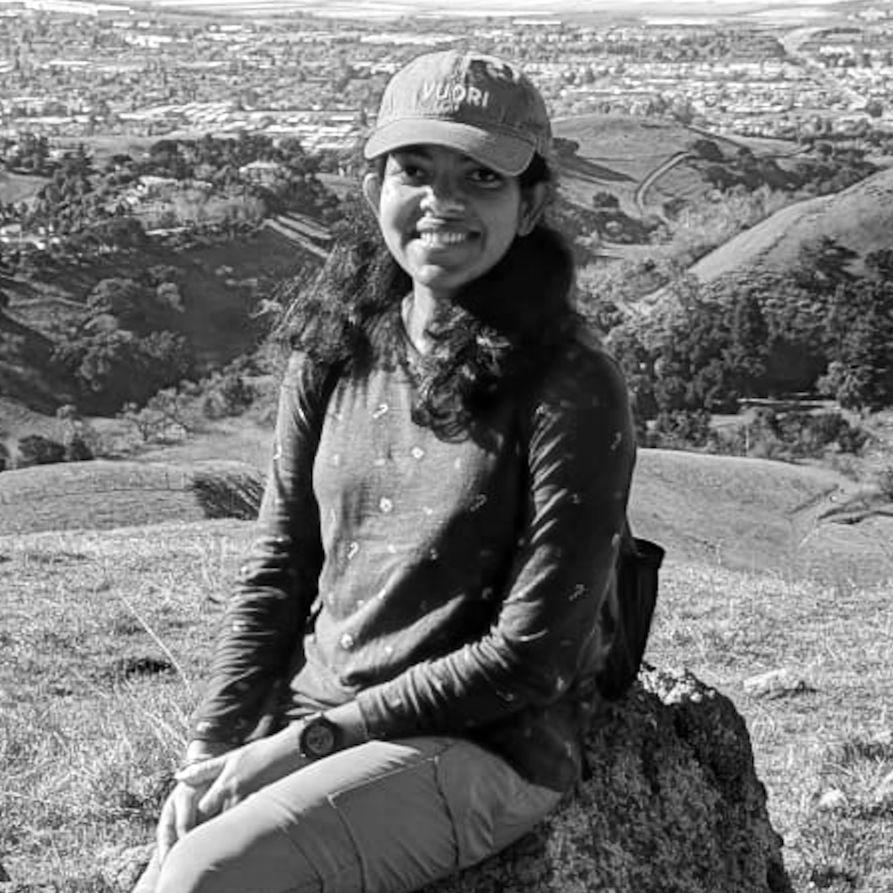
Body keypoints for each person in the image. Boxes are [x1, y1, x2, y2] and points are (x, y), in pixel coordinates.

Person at [134, 48, 636, 893]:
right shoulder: (337, 347)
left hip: (486, 741)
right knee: (175, 860)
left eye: (480, 177)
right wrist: (211, 745)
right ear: (374, 189)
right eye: (415, 170)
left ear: (530, 205)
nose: (441, 203)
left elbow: (529, 656)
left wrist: (304, 745)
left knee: (202, 879)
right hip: (315, 713)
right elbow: (280, 565)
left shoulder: (570, 384)